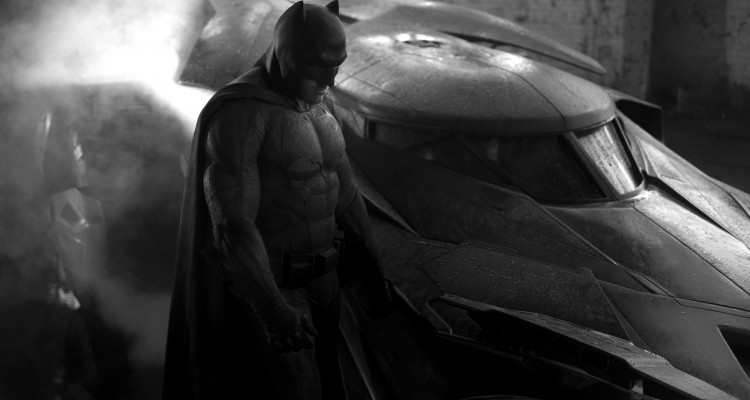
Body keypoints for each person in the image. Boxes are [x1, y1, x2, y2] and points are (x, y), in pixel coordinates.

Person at [162, 1, 391, 399]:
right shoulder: (241, 115)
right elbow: (233, 226)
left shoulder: (323, 107)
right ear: (286, 56)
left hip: (325, 280)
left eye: (335, 65)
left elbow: (345, 195)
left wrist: (372, 269)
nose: (330, 79)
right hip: (277, 286)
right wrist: (272, 310)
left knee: (330, 387)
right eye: (317, 65)